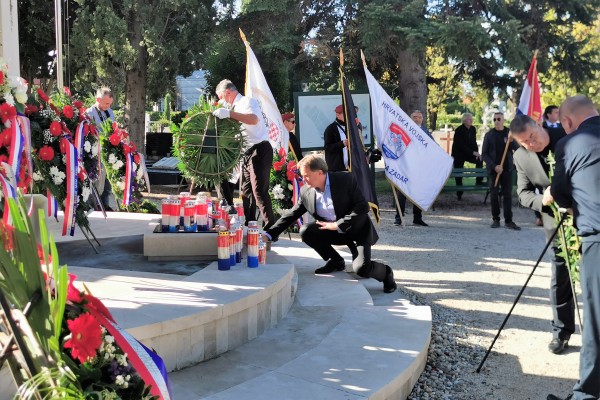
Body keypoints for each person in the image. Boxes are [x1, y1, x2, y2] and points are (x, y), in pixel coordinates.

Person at [264, 154, 397, 293]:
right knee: (306, 231)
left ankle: (387, 273)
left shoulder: (345, 180)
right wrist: (268, 235)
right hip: (332, 231)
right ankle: (336, 261)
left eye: (306, 175)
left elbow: (362, 207)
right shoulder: (306, 191)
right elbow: (292, 215)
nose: (303, 180)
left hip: (357, 231)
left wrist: (338, 224)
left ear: (320, 172)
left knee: (362, 269)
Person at [543, 95, 600, 400]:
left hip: (598, 241)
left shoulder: (570, 144)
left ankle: (586, 395)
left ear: (566, 122)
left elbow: (563, 195)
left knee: (595, 323)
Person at [510, 114, 573, 355]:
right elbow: (523, 194)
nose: (531, 144)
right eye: (525, 142)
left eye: (533, 137)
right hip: (554, 222)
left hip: (586, 214)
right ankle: (561, 331)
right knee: (560, 276)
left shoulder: (567, 136)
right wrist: (541, 199)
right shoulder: (520, 157)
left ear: (538, 124)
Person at [212, 79, 275, 230]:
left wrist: (229, 113)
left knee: (259, 190)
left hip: (260, 148)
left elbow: (253, 119)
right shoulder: (233, 106)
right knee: (246, 193)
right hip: (247, 152)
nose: (221, 101)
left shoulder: (247, 101)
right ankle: (250, 225)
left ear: (227, 92)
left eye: (221, 97)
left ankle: (271, 228)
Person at [481, 112, 520, 230]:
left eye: (499, 119)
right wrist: (494, 166)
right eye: (494, 119)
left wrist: (513, 141)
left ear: (503, 120)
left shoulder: (509, 134)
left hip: (507, 169)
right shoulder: (489, 135)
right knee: (494, 194)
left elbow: (517, 149)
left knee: (507, 195)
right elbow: (484, 154)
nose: (496, 121)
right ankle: (496, 219)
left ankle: (509, 220)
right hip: (494, 171)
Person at [393, 110, 429, 226]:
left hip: (419, 167)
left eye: (419, 117)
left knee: (418, 192)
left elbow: (432, 146)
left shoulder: (425, 131)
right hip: (405, 166)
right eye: (414, 117)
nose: (417, 119)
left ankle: (417, 218)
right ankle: (399, 217)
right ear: (410, 118)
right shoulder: (404, 130)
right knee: (402, 193)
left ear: (422, 119)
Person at [85, 87, 116, 211]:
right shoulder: (89, 114)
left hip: (108, 153)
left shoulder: (110, 112)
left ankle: (105, 205)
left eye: (110, 103)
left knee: (107, 184)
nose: (108, 106)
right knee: (97, 182)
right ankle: (93, 206)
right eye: (106, 103)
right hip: (95, 154)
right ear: (98, 99)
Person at [451, 112, 484, 200]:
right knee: (459, 173)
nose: (471, 120)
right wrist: (473, 152)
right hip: (459, 154)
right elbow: (461, 146)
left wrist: (477, 153)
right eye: (469, 119)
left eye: (471, 119)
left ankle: (479, 181)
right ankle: (459, 193)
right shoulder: (459, 130)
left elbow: (474, 142)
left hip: (469, 153)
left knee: (480, 160)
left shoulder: (473, 129)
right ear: (464, 120)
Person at [323, 104, 349, 171]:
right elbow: (327, 147)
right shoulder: (330, 129)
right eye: (345, 113)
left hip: (349, 167)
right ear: (338, 115)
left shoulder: (350, 127)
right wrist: (342, 143)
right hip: (337, 168)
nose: (348, 115)